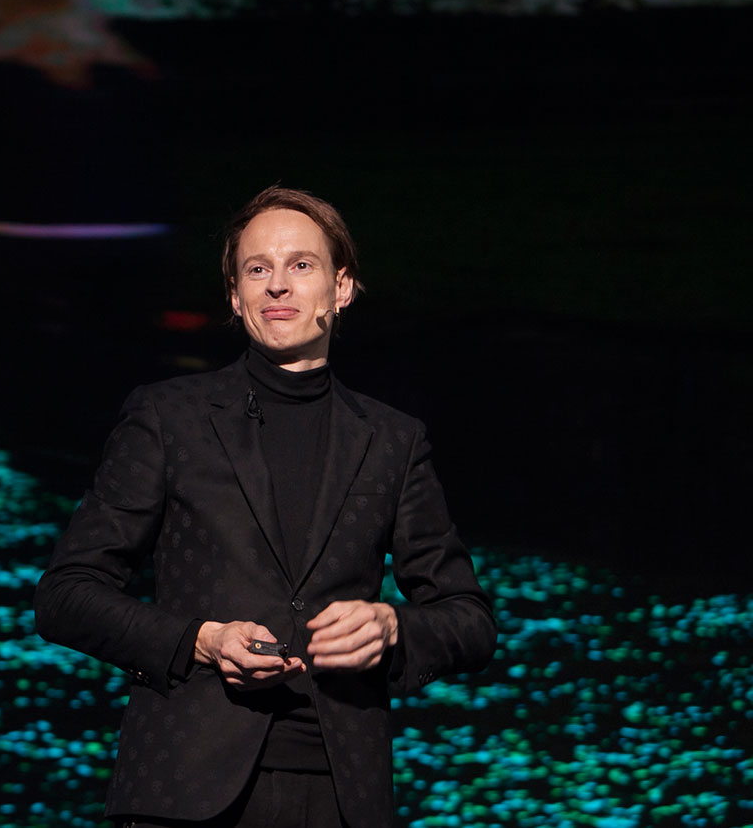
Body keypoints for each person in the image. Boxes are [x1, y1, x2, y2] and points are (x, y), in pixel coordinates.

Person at [34, 186, 497, 827]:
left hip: (341, 792)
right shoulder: (169, 418)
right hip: (185, 791)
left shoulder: (393, 439)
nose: (277, 285)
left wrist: (394, 629)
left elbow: (469, 619)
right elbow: (65, 595)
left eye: (301, 265)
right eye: (258, 269)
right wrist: (200, 640)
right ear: (235, 296)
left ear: (342, 288)